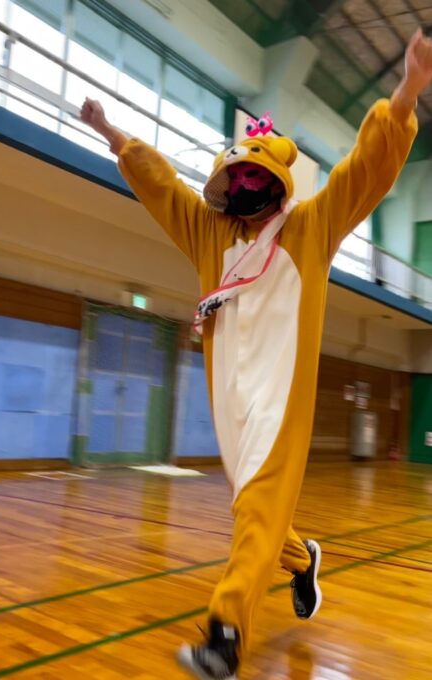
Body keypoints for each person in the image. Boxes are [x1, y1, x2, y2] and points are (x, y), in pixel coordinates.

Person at [80, 28, 432, 680]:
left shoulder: (312, 228)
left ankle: (225, 634)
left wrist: (408, 90)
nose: (244, 185)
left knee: (256, 507)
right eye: (235, 174)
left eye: (255, 174)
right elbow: (162, 188)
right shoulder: (207, 234)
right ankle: (302, 558)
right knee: (256, 510)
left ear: (277, 180)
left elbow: (365, 170)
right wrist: (113, 135)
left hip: (281, 398)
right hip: (230, 405)